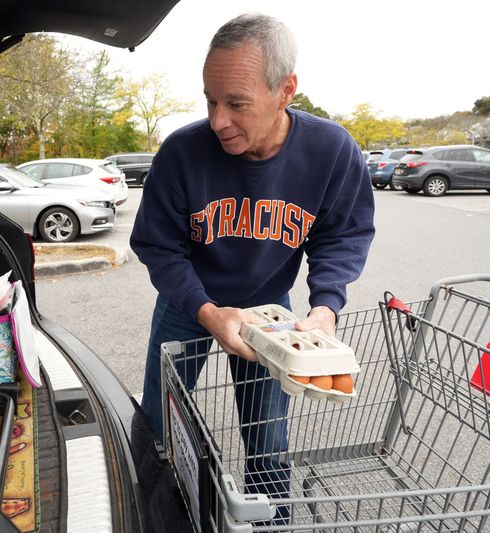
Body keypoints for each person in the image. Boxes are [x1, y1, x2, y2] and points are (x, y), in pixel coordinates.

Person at [130, 13, 375, 525]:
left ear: (285, 90)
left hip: (269, 310)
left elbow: (343, 234)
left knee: (267, 436)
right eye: (210, 100)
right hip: (189, 303)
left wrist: (326, 307)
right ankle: (144, 513)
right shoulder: (181, 153)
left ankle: (274, 523)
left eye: (236, 103)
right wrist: (206, 310)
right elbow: (158, 245)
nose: (218, 120)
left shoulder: (330, 151)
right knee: (156, 422)